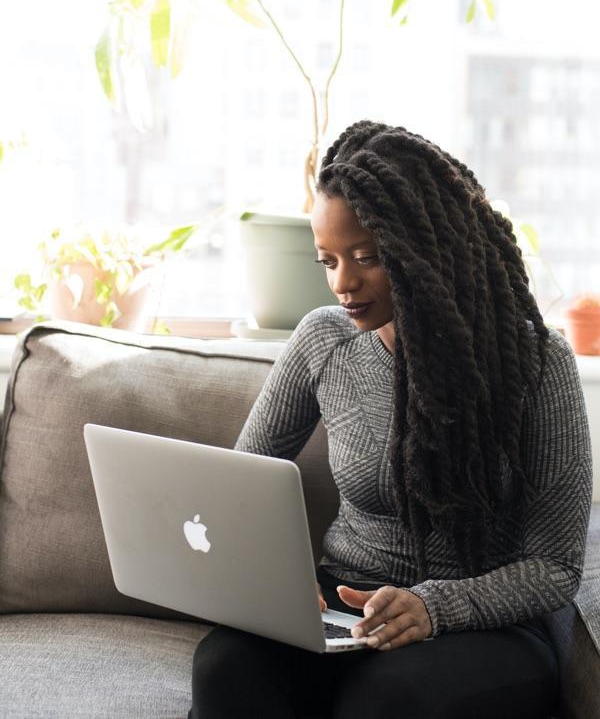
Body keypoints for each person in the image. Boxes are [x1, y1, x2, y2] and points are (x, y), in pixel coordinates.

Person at [189, 120, 592, 719]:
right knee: (225, 670)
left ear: (426, 250)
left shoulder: (536, 364)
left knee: (386, 701)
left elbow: (555, 568)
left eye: (366, 258)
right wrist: (274, 582)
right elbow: (237, 485)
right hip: (341, 605)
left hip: (481, 625)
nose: (342, 284)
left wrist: (433, 608)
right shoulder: (323, 342)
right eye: (327, 260)